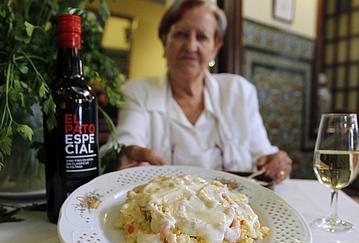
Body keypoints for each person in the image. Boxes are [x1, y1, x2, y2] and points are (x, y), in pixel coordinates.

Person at [108, 0, 292, 183]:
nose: (190, 46)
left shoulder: (240, 92)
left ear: (215, 47)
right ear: (164, 42)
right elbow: (124, 144)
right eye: (180, 34)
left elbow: (262, 155)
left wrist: (275, 161)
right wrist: (126, 155)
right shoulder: (137, 92)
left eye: (202, 37)